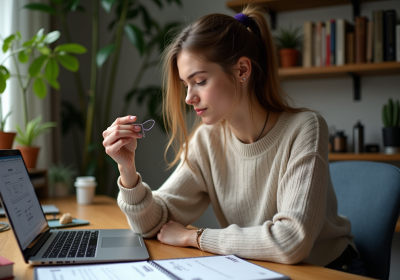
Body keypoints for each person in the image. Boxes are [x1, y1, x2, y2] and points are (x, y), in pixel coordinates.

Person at [102, 5, 366, 276]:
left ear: (242, 70)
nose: (188, 98)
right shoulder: (207, 140)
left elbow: (291, 241)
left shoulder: (304, 128)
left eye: (200, 81)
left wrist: (195, 237)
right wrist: (127, 170)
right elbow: (153, 223)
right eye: (185, 85)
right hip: (261, 269)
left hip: (328, 270)